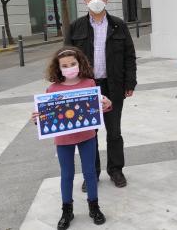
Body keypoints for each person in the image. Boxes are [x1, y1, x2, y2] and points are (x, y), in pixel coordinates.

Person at [65, 0, 137, 190]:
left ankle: (116, 170)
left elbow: (129, 56)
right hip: (87, 87)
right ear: (85, 1)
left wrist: (130, 82)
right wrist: (69, 87)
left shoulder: (119, 26)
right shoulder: (75, 27)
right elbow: (67, 58)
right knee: (89, 134)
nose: (95, 0)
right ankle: (91, 174)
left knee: (114, 132)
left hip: (113, 86)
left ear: (107, 0)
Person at [31, 47, 111, 229]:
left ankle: (94, 207)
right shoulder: (52, 88)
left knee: (90, 172)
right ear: (58, 68)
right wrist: (37, 119)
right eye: (64, 65)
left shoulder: (90, 83)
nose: (69, 68)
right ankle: (67, 211)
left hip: (87, 136)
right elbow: (46, 116)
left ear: (80, 63)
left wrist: (107, 104)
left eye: (72, 64)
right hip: (63, 139)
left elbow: (98, 109)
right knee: (66, 174)